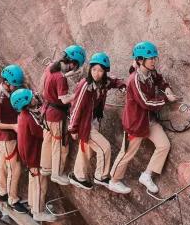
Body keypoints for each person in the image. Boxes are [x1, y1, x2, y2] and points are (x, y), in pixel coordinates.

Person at [108, 41, 178, 195]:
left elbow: (159, 79)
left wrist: (166, 88)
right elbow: (146, 102)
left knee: (164, 145)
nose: (154, 61)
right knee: (127, 153)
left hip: (149, 121)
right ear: (140, 60)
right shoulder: (134, 80)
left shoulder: (150, 72)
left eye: (154, 58)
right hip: (136, 124)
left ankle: (147, 175)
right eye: (151, 58)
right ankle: (113, 181)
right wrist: (166, 99)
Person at [67, 52, 125, 190]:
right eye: (94, 69)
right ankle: (101, 176)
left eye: (100, 70)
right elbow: (76, 108)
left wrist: (122, 85)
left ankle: (78, 176)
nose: (96, 73)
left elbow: (114, 81)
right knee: (104, 147)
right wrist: (73, 129)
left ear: (105, 72)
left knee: (86, 150)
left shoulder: (104, 82)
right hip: (84, 125)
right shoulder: (85, 86)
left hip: (93, 120)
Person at [40, 45, 86, 186]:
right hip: (56, 115)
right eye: (76, 66)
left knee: (48, 140)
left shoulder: (50, 67)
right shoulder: (60, 78)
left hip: (46, 110)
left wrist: (69, 75)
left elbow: (48, 83)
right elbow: (64, 99)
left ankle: (46, 167)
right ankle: (57, 174)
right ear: (73, 63)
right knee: (59, 144)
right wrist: (78, 94)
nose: (75, 69)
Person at [0, 64, 29, 213]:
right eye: (14, 85)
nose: (16, 88)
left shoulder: (8, 92)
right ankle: (13, 199)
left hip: (5, 137)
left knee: (2, 164)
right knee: (15, 167)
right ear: (6, 82)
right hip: (6, 138)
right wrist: (12, 126)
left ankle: (2, 192)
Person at [14, 88, 55, 222]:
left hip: (28, 155)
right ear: (26, 102)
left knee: (33, 181)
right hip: (34, 155)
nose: (34, 98)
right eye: (32, 98)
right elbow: (41, 132)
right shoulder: (29, 118)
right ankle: (38, 212)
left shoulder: (23, 115)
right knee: (40, 183)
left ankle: (33, 205)